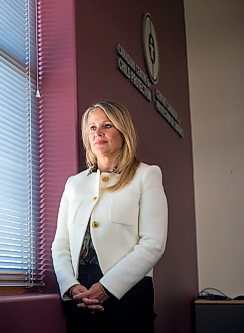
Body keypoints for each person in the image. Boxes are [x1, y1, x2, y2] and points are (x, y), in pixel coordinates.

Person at [51, 101, 168, 332]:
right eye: (92, 127)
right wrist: (71, 286)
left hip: (129, 294)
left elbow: (153, 244)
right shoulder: (74, 184)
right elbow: (60, 245)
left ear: (123, 131)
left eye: (106, 125)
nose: (98, 133)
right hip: (81, 296)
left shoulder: (146, 175)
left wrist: (107, 287)